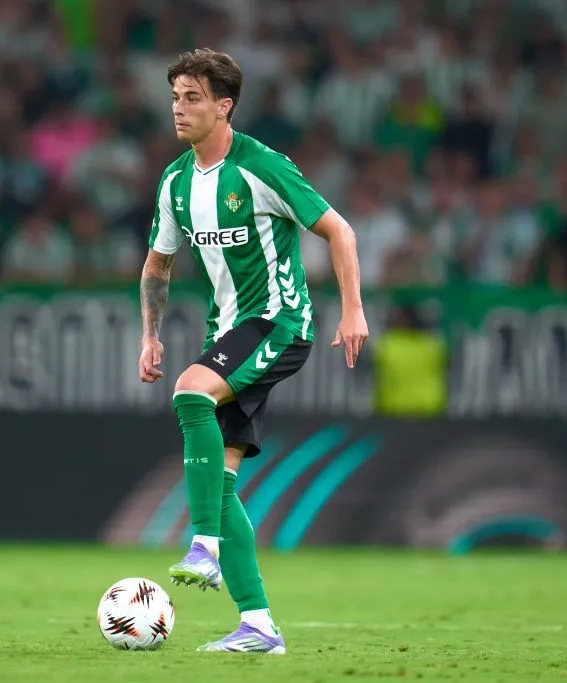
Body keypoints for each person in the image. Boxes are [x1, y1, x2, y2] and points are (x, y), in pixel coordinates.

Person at [137, 49, 368, 654]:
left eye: (192, 97)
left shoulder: (261, 166)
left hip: (280, 322)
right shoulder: (176, 182)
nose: (179, 109)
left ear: (224, 105)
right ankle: (258, 625)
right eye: (175, 97)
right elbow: (158, 264)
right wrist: (150, 333)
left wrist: (353, 308)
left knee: (190, 391)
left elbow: (338, 229)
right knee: (222, 484)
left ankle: (204, 546)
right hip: (231, 333)